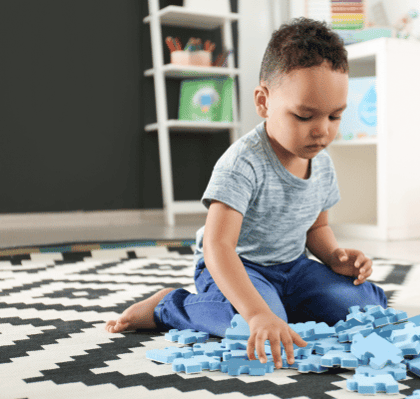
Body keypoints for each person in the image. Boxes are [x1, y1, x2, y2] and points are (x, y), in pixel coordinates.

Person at [105, 17, 387, 370]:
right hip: (236, 267)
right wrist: (256, 313)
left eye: (334, 116)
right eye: (304, 116)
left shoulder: (322, 163)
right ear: (264, 102)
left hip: (292, 267)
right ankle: (169, 305)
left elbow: (316, 228)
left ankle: (280, 307)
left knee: (366, 307)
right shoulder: (242, 163)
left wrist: (334, 256)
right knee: (246, 327)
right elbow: (217, 247)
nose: (322, 131)